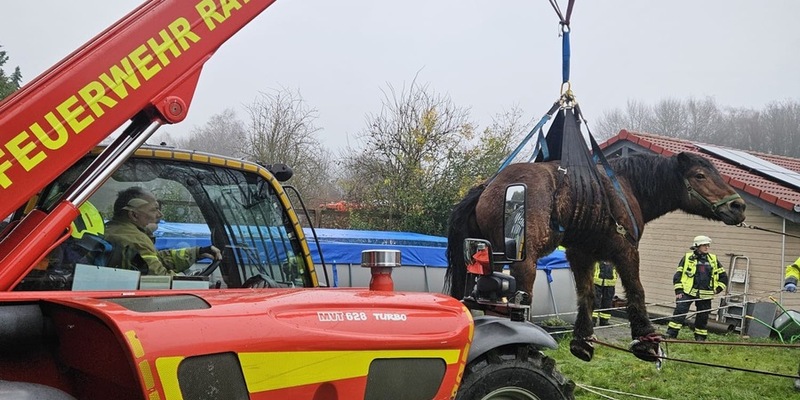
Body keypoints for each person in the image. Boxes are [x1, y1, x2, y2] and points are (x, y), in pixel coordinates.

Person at [104, 187, 221, 276]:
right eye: (154, 209)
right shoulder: (136, 240)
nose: (160, 214)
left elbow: (156, 260)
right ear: (134, 215)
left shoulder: (115, 230)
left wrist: (196, 252)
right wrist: (194, 282)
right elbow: (159, 279)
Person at [665, 235, 728, 341]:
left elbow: (724, 277)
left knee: (703, 316)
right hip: (687, 292)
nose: (707, 247)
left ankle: (700, 338)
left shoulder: (713, 259)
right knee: (680, 311)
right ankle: (671, 334)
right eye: (704, 245)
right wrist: (679, 290)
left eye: (708, 245)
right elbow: (678, 275)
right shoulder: (687, 258)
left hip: (705, 294)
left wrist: (717, 290)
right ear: (697, 246)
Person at [592, 261, 617, 326]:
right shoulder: (597, 255)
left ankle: (604, 321)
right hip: (597, 282)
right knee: (595, 302)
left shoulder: (614, 257)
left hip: (610, 283)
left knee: (607, 302)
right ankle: (592, 321)